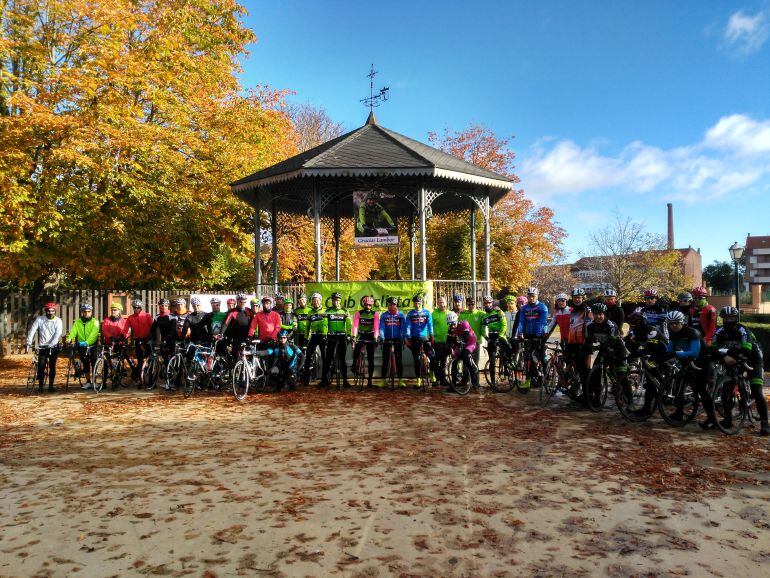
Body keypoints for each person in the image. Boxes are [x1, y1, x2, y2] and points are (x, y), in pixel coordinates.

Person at [710, 306, 768, 435]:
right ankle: (728, 419)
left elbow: (746, 351)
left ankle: (765, 424)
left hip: (753, 360)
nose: (729, 320)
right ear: (723, 319)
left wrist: (725, 352)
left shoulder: (743, 330)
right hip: (732, 358)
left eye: (732, 318)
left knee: (757, 392)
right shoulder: (719, 331)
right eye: (726, 318)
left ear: (736, 318)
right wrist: (725, 356)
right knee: (726, 391)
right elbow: (712, 350)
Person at [664, 310, 714, 428]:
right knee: (678, 387)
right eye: (671, 324)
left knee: (702, 390)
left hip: (702, 362)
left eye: (676, 323)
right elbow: (669, 351)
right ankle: (679, 413)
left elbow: (694, 352)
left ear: (682, 322)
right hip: (687, 361)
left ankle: (712, 419)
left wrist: (676, 354)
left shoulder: (692, 333)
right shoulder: (673, 333)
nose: (674, 326)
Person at [624, 311, 669, 417]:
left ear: (641, 323)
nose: (632, 328)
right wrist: (629, 342)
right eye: (631, 326)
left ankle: (664, 386)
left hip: (662, 354)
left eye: (634, 326)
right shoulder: (636, 331)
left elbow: (650, 348)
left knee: (651, 382)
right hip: (651, 354)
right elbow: (633, 346)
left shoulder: (651, 331)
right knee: (650, 379)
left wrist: (635, 353)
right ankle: (647, 408)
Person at [583, 303, 628, 406]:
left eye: (601, 314)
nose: (598, 317)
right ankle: (597, 398)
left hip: (618, 350)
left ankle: (628, 399)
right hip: (604, 349)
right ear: (592, 315)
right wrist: (587, 347)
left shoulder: (611, 325)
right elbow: (588, 340)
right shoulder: (590, 326)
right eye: (596, 314)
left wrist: (599, 347)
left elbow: (612, 342)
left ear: (604, 314)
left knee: (620, 374)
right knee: (596, 372)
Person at [515, 287, 549, 389]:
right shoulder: (524, 308)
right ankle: (529, 380)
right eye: (529, 296)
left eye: (533, 296)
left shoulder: (542, 307)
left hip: (539, 335)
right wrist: (520, 333)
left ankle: (547, 378)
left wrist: (538, 335)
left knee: (541, 356)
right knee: (528, 358)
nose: (531, 298)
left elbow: (541, 322)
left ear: (537, 296)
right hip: (528, 334)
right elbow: (521, 321)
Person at [26, 302, 63, 392]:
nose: (50, 312)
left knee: (52, 366)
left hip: (53, 346)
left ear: (55, 311)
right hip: (43, 346)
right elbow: (32, 330)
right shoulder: (40, 319)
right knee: (41, 366)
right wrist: (28, 342)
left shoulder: (58, 321)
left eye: (52, 311)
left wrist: (53, 343)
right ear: (45, 311)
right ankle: (40, 386)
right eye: (48, 311)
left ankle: (51, 386)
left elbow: (58, 333)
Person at [321, 292, 352, 388]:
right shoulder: (328, 311)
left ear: (340, 300)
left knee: (342, 360)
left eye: (338, 300)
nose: (336, 302)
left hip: (342, 336)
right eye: (334, 300)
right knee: (328, 359)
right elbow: (325, 324)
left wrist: (349, 335)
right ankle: (324, 380)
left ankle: (345, 381)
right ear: (332, 300)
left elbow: (348, 324)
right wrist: (324, 334)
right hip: (331, 337)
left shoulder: (345, 311)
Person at [406, 294, 437, 388]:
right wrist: (408, 337)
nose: (417, 304)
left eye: (419, 303)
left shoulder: (427, 313)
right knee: (416, 360)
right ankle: (418, 380)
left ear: (421, 303)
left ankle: (432, 375)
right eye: (415, 303)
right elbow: (408, 326)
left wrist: (431, 335)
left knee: (432, 357)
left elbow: (430, 325)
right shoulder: (410, 314)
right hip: (414, 339)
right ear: (413, 303)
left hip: (425, 338)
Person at [67, 303, 100, 390]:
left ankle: (95, 382)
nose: (86, 313)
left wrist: (87, 342)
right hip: (81, 345)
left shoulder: (95, 322)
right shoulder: (77, 322)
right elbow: (73, 331)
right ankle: (88, 382)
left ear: (91, 312)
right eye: (85, 312)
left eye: (88, 311)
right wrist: (69, 338)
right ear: (82, 312)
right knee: (85, 364)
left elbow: (94, 334)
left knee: (94, 363)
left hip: (93, 345)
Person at [565, 288, 593, 386]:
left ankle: (588, 391)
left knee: (585, 369)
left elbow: (590, 324)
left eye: (579, 298)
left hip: (584, 343)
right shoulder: (572, 310)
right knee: (576, 367)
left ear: (583, 298)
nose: (577, 300)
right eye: (575, 298)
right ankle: (578, 387)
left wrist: (588, 340)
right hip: (573, 342)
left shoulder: (587, 309)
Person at [481, 295, 510, 386]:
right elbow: (482, 328)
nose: (487, 305)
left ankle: (509, 374)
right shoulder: (484, 315)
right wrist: (486, 337)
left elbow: (504, 325)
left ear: (492, 303)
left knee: (506, 356)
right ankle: (493, 381)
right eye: (485, 303)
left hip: (500, 335)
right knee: (492, 360)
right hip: (491, 336)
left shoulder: (498, 311)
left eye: (489, 303)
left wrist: (500, 336)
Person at [352, 295, 380, 388]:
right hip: (361, 334)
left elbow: (376, 327)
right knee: (357, 349)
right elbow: (355, 326)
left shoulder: (375, 314)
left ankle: (370, 380)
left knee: (370, 358)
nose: (368, 307)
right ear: (363, 304)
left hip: (370, 334)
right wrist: (353, 336)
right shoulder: (358, 313)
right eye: (366, 305)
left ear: (372, 305)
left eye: (369, 305)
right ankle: (354, 364)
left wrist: (375, 338)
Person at [379, 296, 406, 387]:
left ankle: (400, 380)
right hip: (386, 339)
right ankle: (383, 380)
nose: (392, 306)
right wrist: (382, 337)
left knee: (399, 360)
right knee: (385, 360)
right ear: (388, 305)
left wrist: (402, 337)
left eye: (394, 304)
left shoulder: (401, 315)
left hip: (397, 339)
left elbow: (403, 328)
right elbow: (382, 327)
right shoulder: (384, 315)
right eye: (391, 304)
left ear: (396, 305)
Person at [302, 292, 327, 387]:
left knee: (325, 358)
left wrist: (327, 335)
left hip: (323, 336)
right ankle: (306, 379)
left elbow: (328, 324)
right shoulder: (310, 312)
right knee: (308, 357)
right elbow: (307, 327)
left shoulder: (325, 311)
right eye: (313, 300)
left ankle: (324, 379)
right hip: (314, 336)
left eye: (317, 300)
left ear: (320, 301)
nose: (315, 302)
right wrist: (305, 337)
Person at [127, 299, 153, 383]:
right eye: (135, 307)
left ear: (141, 307)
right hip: (138, 340)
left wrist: (151, 336)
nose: (136, 309)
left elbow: (152, 327)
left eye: (138, 307)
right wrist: (123, 336)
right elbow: (125, 329)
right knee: (140, 359)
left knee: (150, 359)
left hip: (147, 339)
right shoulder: (131, 318)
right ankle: (139, 378)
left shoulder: (147, 315)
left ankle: (151, 380)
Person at [221, 293, 253, 357]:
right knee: (235, 355)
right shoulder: (233, 312)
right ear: (237, 301)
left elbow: (253, 322)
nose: (242, 303)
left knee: (249, 356)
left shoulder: (248, 310)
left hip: (247, 337)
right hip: (236, 338)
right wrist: (221, 334)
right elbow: (226, 324)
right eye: (240, 301)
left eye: (244, 301)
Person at [452, 319, 479, 390]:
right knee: (454, 363)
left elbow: (466, 338)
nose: (453, 326)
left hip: (471, 343)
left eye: (454, 324)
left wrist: (457, 343)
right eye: (450, 324)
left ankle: (475, 382)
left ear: (456, 321)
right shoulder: (451, 327)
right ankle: (453, 385)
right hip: (461, 343)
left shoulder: (464, 323)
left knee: (465, 358)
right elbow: (450, 340)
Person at [432, 296, 452, 388]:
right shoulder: (434, 314)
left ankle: (443, 379)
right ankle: (436, 379)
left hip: (446, 341)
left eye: (443, 302)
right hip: (436, 341)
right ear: (437, 304)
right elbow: (430, 326)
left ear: (446, 303)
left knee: (444, 362)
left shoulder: (450, 313)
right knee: (436, 361)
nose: (442, 304)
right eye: (440, 302)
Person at [459, 296, 484, 365]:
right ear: (467, 305)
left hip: (476, 342)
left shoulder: (480, 314)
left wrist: (497, 310)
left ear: (475, 304)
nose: (471, 306)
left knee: (475, 363)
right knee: (466, 364)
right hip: (466, 343)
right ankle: (465, 376)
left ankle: (475, 375)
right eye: (469, 304)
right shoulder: (463, 314)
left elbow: (489, 314)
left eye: (472, 304)